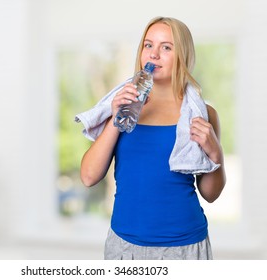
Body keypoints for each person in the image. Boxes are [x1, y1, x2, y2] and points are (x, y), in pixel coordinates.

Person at [79, 16, 226, 260]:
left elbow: (210, 194)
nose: (153, 54)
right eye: (148, 45)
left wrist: (215, 152)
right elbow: (88, 176)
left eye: (166, 47)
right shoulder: (120, 105)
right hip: (125, 245)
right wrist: (116, 120)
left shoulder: (203, 114)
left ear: (182, 55)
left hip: (185, 246)